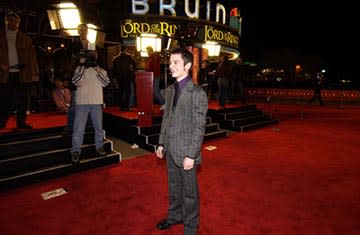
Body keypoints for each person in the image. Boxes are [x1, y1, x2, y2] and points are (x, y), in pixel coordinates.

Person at [155, 48, 208, 235]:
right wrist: (162, 143)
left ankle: (191, 227)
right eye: (170, 63)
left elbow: (198, 127)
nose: (171, 66)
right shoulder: (170, 90)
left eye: (175, 62)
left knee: (190, 193)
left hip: (187, 152)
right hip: (170, 149)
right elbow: (167, 118)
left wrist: (191, 155)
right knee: (174, 187)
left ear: (187, 65)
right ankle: (174, 216)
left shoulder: (197, 93)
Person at [70, 51, 110, 165]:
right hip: (82, 102)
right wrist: (83, 66)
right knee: (79, 129)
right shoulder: (79, 69)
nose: (92, 58)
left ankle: (99, 146)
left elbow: (106, 82)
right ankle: (76, 151)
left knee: (98, 127)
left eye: (94, 56)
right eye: (90, 56)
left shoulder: (102, 70)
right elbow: (76, 82)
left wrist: (97, 70)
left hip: (96, 102)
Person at [0, 12, 39, 129]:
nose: (13, 23)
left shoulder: (25, 38)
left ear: (18, 23)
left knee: (23, 100)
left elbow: (32, 56)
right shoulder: (0, 36)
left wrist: (35, 72)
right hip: (4, 74)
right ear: (5, 21)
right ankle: (1, 123)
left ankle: (21, 123)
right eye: (10, 21)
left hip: (22, 73)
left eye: (16, 21)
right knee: (4, 100)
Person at [112, 45, 137, 111]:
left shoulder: (115, 59)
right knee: (127, 92)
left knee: (121, 91)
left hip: (119, 77)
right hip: (127, 76)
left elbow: (113, 70)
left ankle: (121, 106)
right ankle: (126, 106)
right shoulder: (128, 57)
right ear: (125, 50)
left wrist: (114, 78)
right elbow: (135, 64)